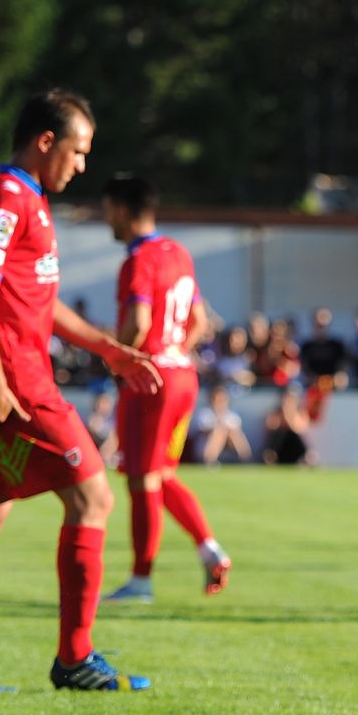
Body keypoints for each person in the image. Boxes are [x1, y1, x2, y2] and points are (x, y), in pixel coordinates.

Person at [0, 90, 161, 693]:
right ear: (46, 142)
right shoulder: (7, 196)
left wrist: (107, 348)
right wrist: (0, 384)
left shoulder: (29, 201)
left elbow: (41, 300)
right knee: (95, 500)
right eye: (77, 151)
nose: (81, 166)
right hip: (10, 381)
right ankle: (75, 658)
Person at [100, 175, 233, 604]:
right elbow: (197, 321)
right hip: (181, 378)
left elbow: (138, 324)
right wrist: (174, 350)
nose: (107, 220)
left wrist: (118, 357)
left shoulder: (137, 259)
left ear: (122, 208)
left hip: (150, 381)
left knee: (141, 481)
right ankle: (210, 549)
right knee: (162, 475)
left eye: (108, 210)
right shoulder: (178, 253)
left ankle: (140, 582)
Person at [192, 383, 253, 465]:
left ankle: (245, 459)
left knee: (233, 432)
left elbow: (236, 434)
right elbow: (200, 433)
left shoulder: (232, 416)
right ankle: (209, 460)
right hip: (204, 449)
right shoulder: (205, 414)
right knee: (219, 432)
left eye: (223, 400)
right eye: (217, 399)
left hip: (227, 448)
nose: (220, 402)